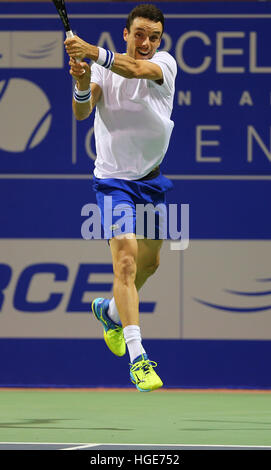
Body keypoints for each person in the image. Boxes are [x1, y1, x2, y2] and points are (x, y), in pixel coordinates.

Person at [65, 3, 177, 392]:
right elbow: (82, 112)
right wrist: (81, 81)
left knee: (150, 264)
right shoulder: (102, 70)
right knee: (126, 259)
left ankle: (110, 312)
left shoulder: (164, 64)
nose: (146, 43)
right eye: (140, 34)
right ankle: (138, 358)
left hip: (150, 182)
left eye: (154, 36)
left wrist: (90, 52)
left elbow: (134, 69)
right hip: (113, 182)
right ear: (125, 33)